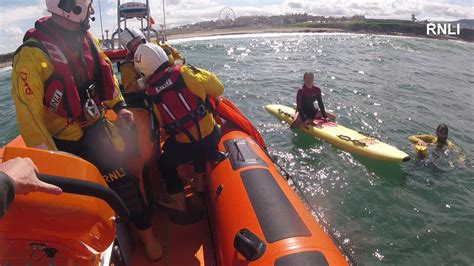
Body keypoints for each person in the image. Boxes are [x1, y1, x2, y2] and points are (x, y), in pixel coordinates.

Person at [11, 0, 161, 260]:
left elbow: (106, 77)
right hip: (65, 145)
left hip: (99, 131)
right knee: (77, 204)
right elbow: (30, 120)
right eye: (88, 6)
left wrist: (121, 106)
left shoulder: (88, 41)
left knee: (126, 184)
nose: (92, 11)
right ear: (72, 8)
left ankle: (147, 238)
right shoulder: (30, 57)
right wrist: (55, 166)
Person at [133, 43, 224, 223]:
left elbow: (161, 123)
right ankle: (199, 180)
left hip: (185, 146)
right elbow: (218, 88)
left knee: (165, 163)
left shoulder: (150, 94)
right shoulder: (185, 72)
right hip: (211, 137)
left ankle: (178, 201)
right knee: (199, 139)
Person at [119, 28, 184, 93]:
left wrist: (172, 68)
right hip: (156, 93)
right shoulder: (127, 65)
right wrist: (147, 80)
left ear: (144, 39)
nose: (139, 46)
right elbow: (130, 87)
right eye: (134, 46)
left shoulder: (160, 47)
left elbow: (180, 58)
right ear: (129, 49)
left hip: (177, 81)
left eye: (140, 42)